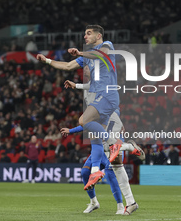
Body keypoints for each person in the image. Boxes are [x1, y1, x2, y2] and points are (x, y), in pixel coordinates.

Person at [37, 25, 124, 191]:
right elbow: (68, 66)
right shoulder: (87, 57)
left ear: (98, 36)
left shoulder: (107, 45)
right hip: (102, 97)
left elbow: (101, 54)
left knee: (84, 120)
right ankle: (97, 172)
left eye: (88, 33)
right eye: (84, 34)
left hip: (107, 94)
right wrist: (47, 61)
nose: (85, 36)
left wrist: (80, 53)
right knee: (96, 138)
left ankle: (115, 143)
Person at [61, 66, 142, 214]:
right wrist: (71, 130)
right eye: (84, 67)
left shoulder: (104, 84)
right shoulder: (90, 90)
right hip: (101, 133)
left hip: (110, 127)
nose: (85, 69)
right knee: (86, 172)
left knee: (113, 169)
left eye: (88, 67)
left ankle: (120, 204)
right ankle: (94, 201)